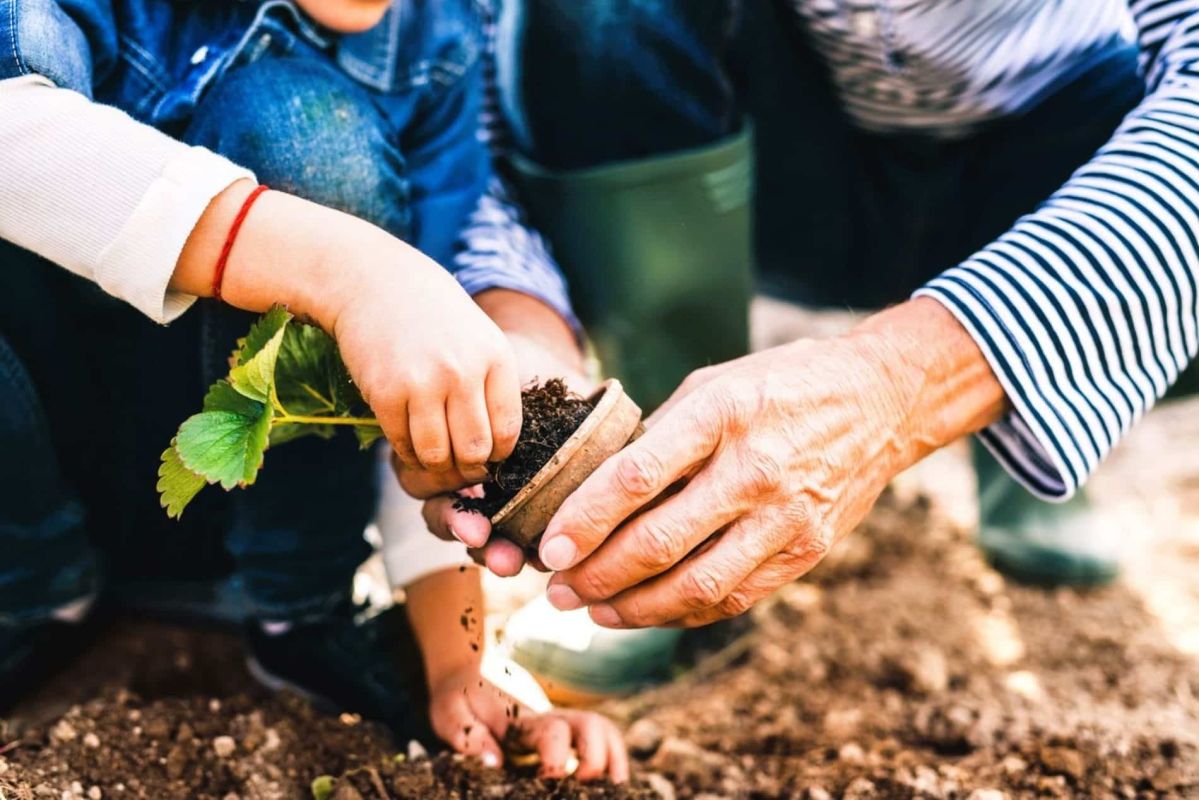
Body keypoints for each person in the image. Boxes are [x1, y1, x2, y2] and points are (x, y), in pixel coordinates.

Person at [412, 0, 1199, 633]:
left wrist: (904, 381)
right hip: (788, 166)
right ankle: (667, 499)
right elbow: (465, 77)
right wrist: (518, 314)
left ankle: (1026, 433)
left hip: (1060, 158)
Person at [0, 0, 625, 778]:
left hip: (251, 530)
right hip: (34, 483)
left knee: (301, 123)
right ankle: (31, 593)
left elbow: (429, 363)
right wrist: (345, 270)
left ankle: (301, 612)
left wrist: (461, 659)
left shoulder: (436, 47)